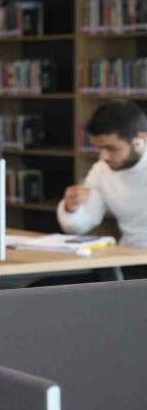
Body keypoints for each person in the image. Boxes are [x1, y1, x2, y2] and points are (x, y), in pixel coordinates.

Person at [58, 100, 147, 281]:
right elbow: (79, 225)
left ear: (140, 139)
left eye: (111, 148)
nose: (103, 156)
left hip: (136, 263)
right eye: (99, 148)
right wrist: (71, 207)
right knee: (51, 286)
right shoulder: (102, 170)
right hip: (130, 260)